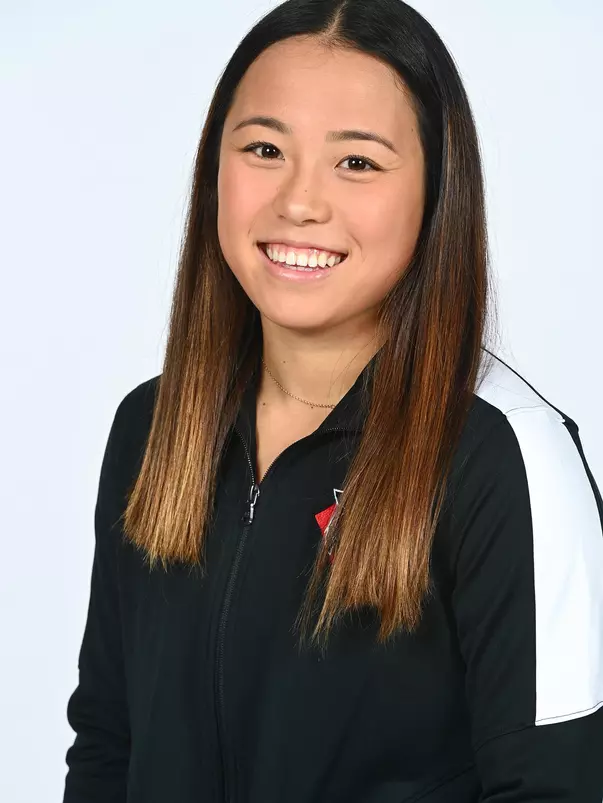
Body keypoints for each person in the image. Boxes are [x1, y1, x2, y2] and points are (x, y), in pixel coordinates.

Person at [62, 1, 603, 801]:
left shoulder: (505, 458)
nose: (298, 201)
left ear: (436, 192)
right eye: (264, 148)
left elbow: (556, 789)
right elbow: (108, 743)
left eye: (356, 163)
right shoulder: (151, 428)